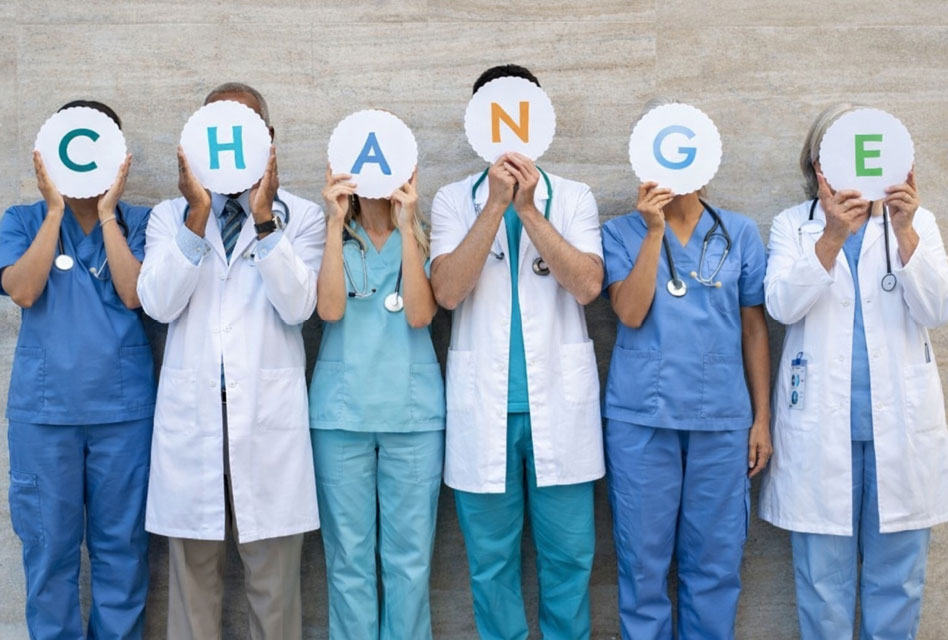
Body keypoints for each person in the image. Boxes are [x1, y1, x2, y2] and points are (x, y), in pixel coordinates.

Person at [137, 82, 324, 640]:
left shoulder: (301, 216)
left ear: (269, 138)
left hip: (268, 423)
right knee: (192, 588)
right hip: (192, 421)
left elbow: (299, 307)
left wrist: (264, 219)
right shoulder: (169, 217)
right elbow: (159, 303)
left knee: (274, 590)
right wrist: (198, 215)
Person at [759, 103, 948, 639]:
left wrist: (905, 231)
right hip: (821, 430)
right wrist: (832, 237)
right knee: (823, 585)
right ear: (817, 166)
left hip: (901, 432)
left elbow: (937, 309)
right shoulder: (794, 225)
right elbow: (781, 305)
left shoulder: (919, 222)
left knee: (899, 581)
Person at [430, 64, 605, 640]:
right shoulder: (453, 200)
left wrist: (528, 209)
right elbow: (447, 291)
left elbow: (587, 285)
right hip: (485, 409)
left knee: (569, 560)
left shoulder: (572, 197)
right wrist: (494, 207)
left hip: (560, 405)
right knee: (490, 565)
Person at [600, 99, 772, 640]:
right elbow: (629, 312)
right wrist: (654, 232)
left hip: (721, 420)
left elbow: (754, 330)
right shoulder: (622, 233)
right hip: (641, 420)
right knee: (642, 565)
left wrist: (761, 419)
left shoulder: (739, 233)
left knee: (716, 565)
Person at [1, 100, 154, 639]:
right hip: (45, 417)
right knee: (48, 550)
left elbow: (135, 294)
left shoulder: (140, 222)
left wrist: (108, 214)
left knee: (123, 550)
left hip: (122, 415)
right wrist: (54, 212)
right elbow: (23, 290)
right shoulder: (22, 220)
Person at [310, 165, 444, 639]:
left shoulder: (426, 239)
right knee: (348, 558)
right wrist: (334, 223)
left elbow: (420, 315)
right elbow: (329, 309)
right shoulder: (330, 238)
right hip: (341, 417)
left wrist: (406, 227)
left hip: (413, 416)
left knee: (411, 560)